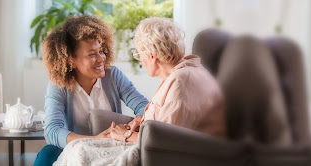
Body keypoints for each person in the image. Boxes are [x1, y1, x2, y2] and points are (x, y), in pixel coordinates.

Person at [33, 15, 149, 166]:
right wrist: (95, 140)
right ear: (70, 60)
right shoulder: (58, 85)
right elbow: (53, 131)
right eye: (92, 54)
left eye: (101, 51)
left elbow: (143, 105)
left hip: (110, 148)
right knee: (47, 153)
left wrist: (139, 120)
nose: (101, 59)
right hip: (74, 147)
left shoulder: (113, 76)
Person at [108, 17, 225, 143]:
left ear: (152, 56)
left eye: (139, 54)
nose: (140, 60)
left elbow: (165, 140)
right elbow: (172, 122)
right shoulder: (189, 71)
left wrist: (126, 135)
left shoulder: (180, 81)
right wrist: (143, 122)